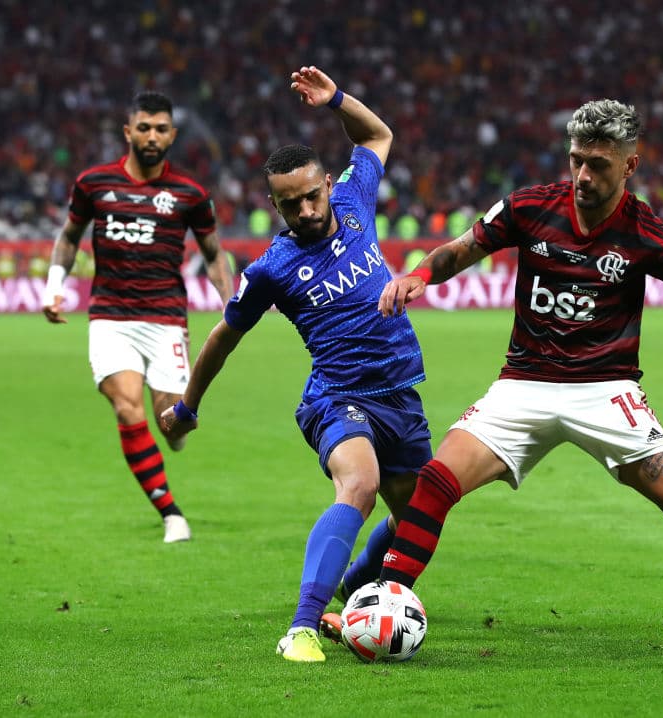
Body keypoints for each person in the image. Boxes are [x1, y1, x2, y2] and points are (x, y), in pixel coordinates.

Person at [362, 98, 663, 651]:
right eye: (577, 160)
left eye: (599, 164)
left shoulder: (648, 232)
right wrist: (419, 275)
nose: (583, 175)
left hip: (608, 390)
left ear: (629, 166)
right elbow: (460, 249)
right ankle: (383, 604)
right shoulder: (529, 207)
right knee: (438, 480)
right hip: (525, 385)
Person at [159, 66, 433, 663]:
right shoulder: (271, 269)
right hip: (337, 398)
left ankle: (356, 588)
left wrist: (336, 99)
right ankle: (302, 628)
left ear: (328, 185)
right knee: (358, 485)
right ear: (274, 204)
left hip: (401, 394)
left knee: (421, 514)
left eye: (312, 195)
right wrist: (186, 405)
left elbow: (377, 137)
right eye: (290, 204)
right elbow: (221, 340)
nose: (306, 211)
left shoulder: (357, 198)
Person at [42, 91, 234, 543]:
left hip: (166, 317)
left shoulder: (190, 194)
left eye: (160, 128)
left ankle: (178, 430)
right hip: (110, 315)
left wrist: (231, 302)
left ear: (172, 135)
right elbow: (69, 237)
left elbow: (213, 254)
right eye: (143, 127)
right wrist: (53, 287)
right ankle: (171, 513)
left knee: (172, 424)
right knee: (127, 406)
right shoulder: (93, 183)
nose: (151, 136)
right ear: (128, 132)